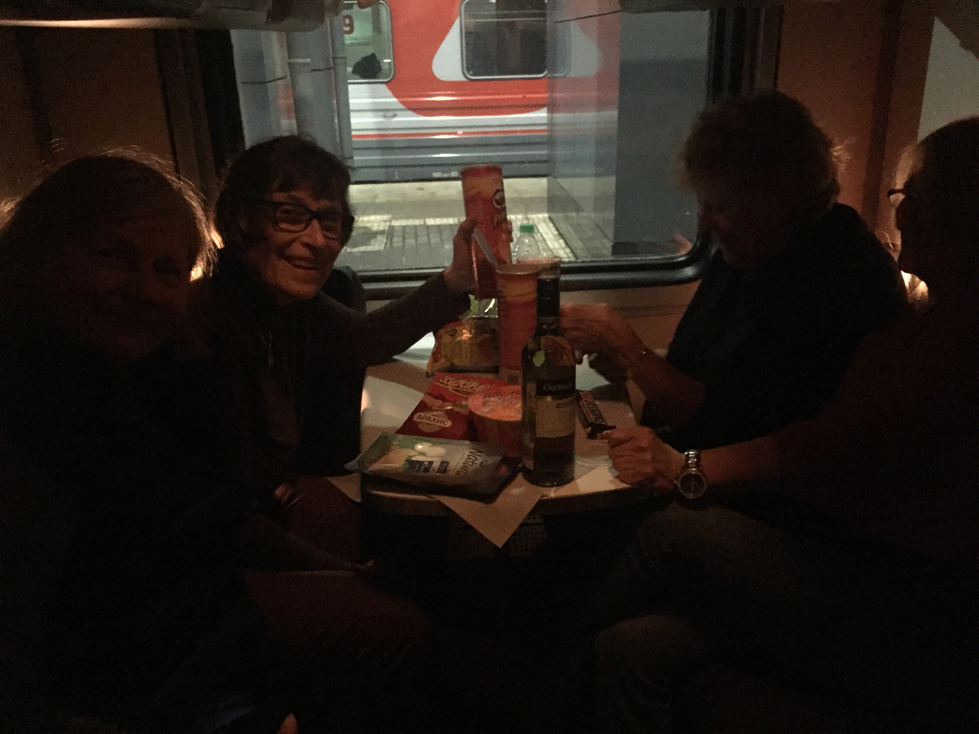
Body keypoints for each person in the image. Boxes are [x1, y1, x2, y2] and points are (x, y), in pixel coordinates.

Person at [0, 152, 433, 733]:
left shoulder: (115, 369)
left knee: (383, 519)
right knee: (396, 623)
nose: (145, 289)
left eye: (166, 269)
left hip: (195, 567)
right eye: (111, 255)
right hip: (179, 611)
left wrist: (456, 282)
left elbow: (195, 506)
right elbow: (210, 524)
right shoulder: (182, 348)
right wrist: (340, 576)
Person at [587, 117, 979, 733]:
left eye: (918, 198)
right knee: (631, 649)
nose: (900, 213)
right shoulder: (927, 314)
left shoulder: (938, 331)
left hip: (897, 591)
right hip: (842, 545)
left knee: (667, 532)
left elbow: (825, 446)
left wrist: (686, 467)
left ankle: (533, 669)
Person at [561, 91, 906, 452]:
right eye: (703, 203)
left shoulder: (834, 279)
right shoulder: (753, 249)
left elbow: (724, 426)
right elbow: (708, 368)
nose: (704, 224)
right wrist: (634, 365)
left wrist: (629, 349)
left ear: (780, 196)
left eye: (721, 206)